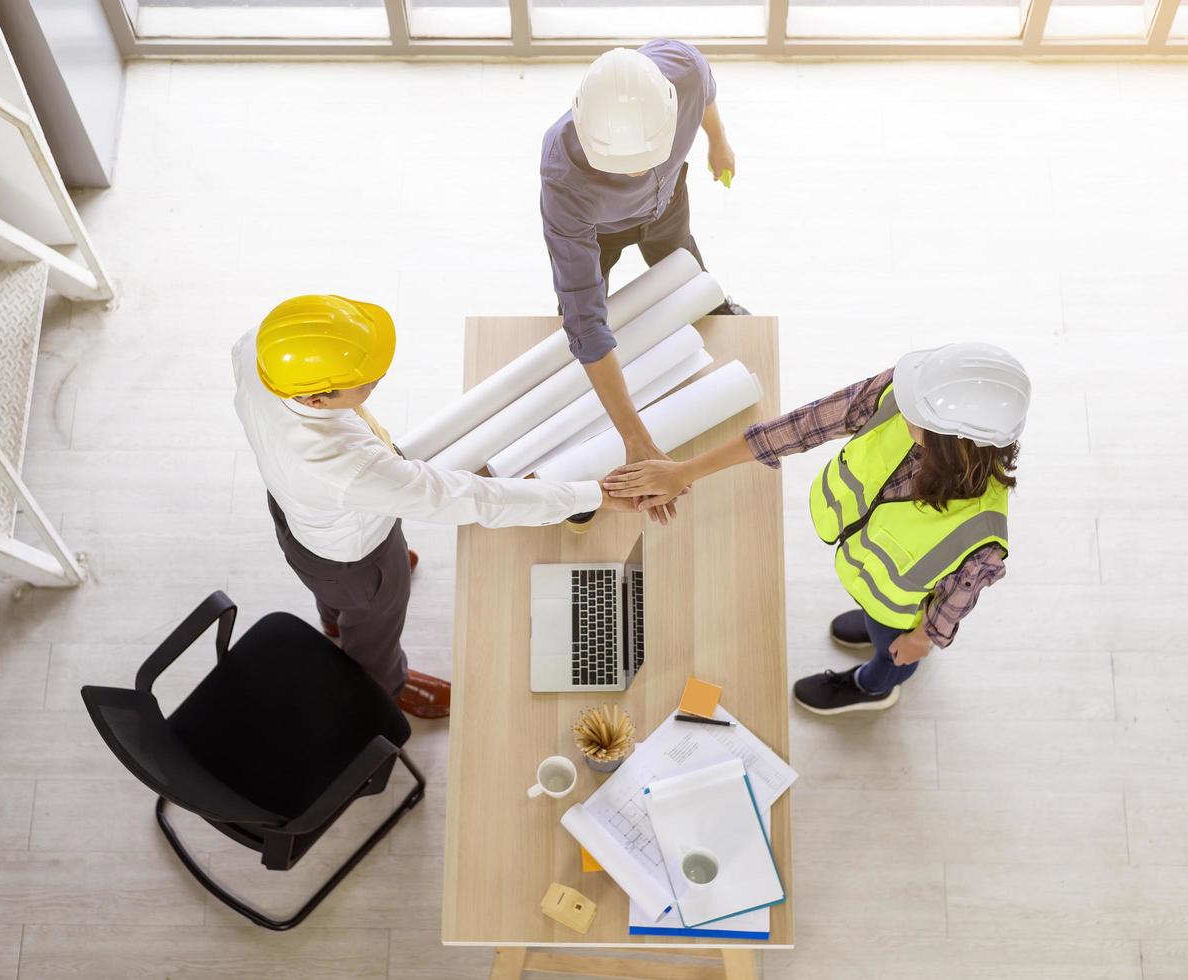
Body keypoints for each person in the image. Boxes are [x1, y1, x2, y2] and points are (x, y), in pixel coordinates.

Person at [233, 295, 634, 719]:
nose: (376, 383)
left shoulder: (260, 348)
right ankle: (386, 685)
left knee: (331, 587)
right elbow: (474, 499)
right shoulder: (346, 467)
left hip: (294, 514)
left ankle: (334, 618)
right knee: (374, 622)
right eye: (367, 382)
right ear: (316, 401)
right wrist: (593, 495)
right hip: (358, 560)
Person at [604, 342, 1030, 715]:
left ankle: (871, 687)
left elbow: (951, 607)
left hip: (902, 612)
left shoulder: (983, 535)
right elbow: (803, 425)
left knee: (892, 651)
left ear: (953, 442)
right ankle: (874, 623)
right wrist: (685, 471)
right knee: (874, 617)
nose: (903, 406)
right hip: (867, 577)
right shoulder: (904, 394)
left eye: (916, 415)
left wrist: (921, 639)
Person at [541, 40, 748, 523]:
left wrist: (718, 140)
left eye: (646, 156)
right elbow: (586, 320)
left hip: (668, 203)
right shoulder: (563, 176)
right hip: (599, 231)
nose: (635, 171)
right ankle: (578, 434)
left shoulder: (686, 70)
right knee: (579, 324)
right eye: (618, 167)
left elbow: (708, 93)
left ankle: (714, 307)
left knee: (684, 272)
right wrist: (635, 439)